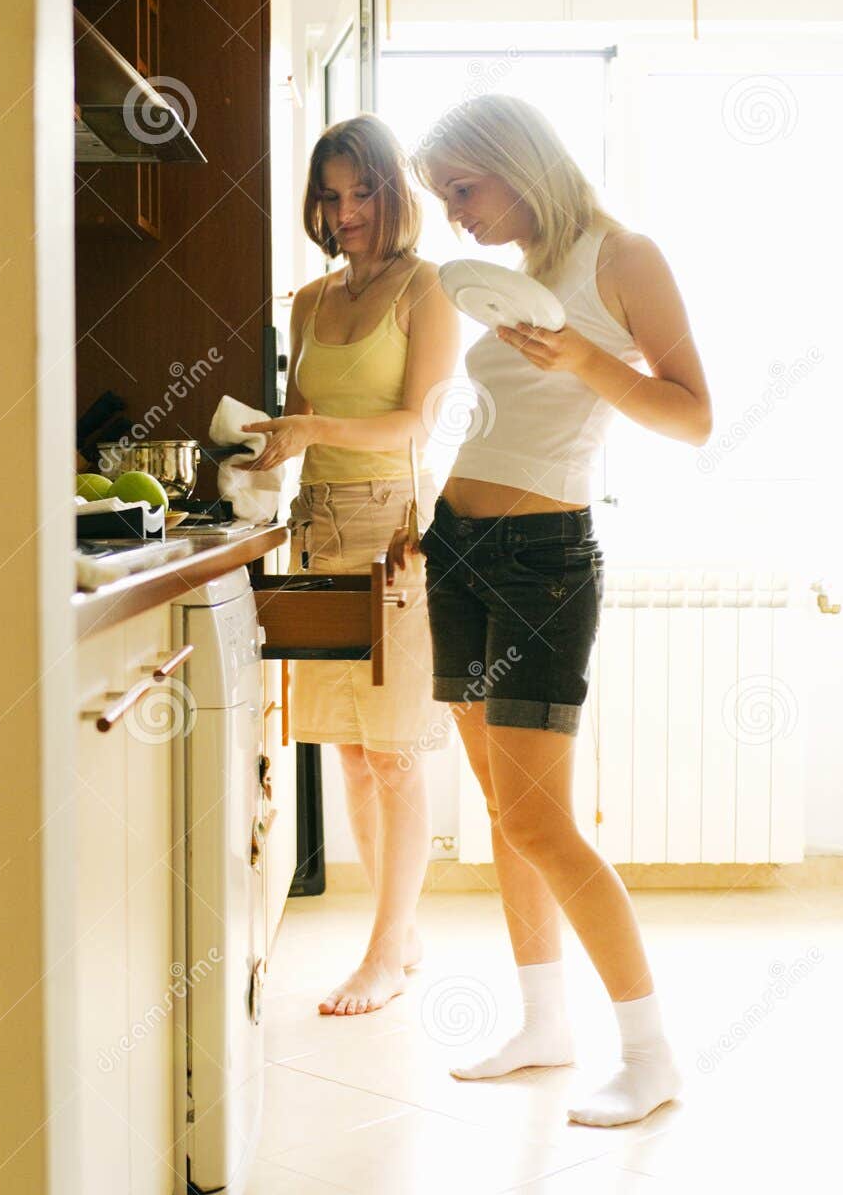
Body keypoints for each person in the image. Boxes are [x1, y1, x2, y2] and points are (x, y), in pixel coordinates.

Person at [388, 93, 711, 1126]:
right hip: (459, 548)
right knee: (501, 814)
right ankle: (542, 1025)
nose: (454, 217)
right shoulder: (509, 277)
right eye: (441, 200)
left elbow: (692, 416)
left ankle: (650, 1053)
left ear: (512, 160)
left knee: (539, 818)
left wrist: (582, 358)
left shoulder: (622, 256)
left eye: (461, 189)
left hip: (541, 561)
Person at [238, 114, 460, 1016]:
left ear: (393, 191)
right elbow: (297, 419)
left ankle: (380, 956)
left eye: (361, 190)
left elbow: (417, 421)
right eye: (330, 195)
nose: (346, 210)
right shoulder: (309, 302)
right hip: (319, 527)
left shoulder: (429, 289)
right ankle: (397, 932)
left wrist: (313, 429)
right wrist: (254, 452)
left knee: (397, 756)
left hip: (398, 533)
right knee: (353, 757)